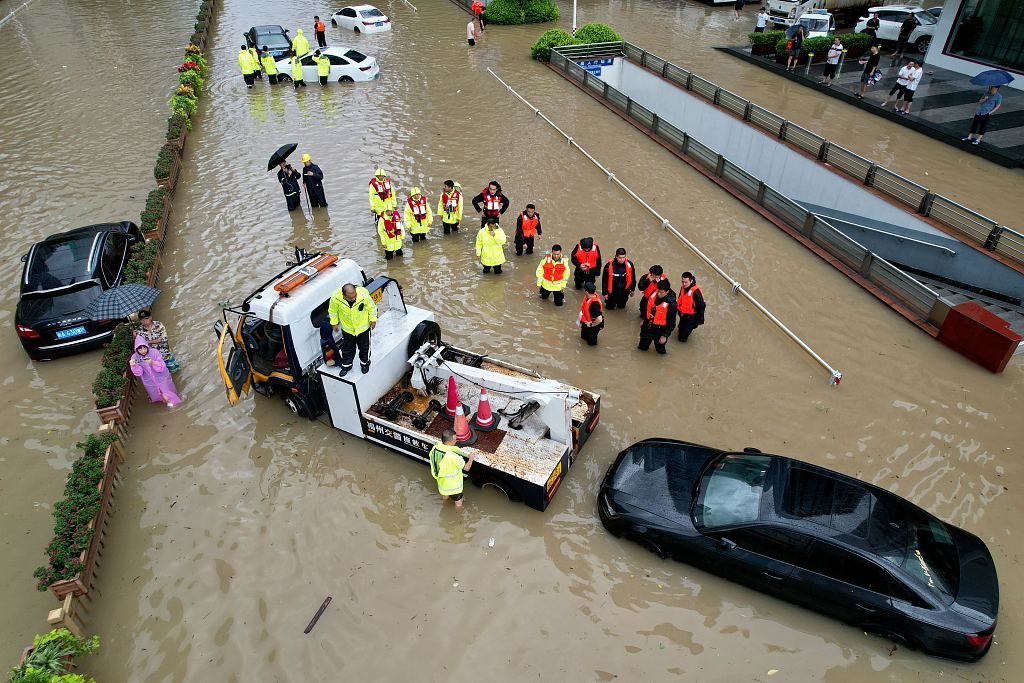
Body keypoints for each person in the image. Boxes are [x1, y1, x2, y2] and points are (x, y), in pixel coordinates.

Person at [329, 283, 378, 376]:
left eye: (354, 297)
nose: (353, 299)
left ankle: (365, 363)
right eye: (350, 298)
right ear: (343, 295)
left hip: (363, 328)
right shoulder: (336, 298)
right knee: (347, 348)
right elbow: (332, 311)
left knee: (364, 347)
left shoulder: (363, 294)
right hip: (348, 329)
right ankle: (346, 365)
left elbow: (372, 307)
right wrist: (334, 323)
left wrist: (373, 320)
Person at [429, 429, 475, 509]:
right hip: (454, 488)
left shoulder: (434, 449)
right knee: (459, 505)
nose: (456, 441)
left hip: (442, 484)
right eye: (455, 439)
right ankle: (456, 518)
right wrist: (471, 458)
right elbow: (467, 468)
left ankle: (444, 507)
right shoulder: (453, 457)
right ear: (449, 442)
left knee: (445, 497)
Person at [129, 336, 180, 407]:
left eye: (144, 348)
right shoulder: (135, 357)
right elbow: (139, 373)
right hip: (149, 381)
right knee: (156, 395)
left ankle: (172, 404)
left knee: (167, 393)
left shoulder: (154, 352)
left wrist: (152, 362)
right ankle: (165, 402)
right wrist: (134, 366)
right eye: (140, 349)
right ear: (137, 350)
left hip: (162, 377)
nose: (143, 351)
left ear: (147, 346)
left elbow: (161, 367)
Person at [638, 280, 677, 355]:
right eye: (658, 291)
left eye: (661, 292)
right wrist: (644, 320)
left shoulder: (672, 305)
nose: (658, 294)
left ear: (667, 292)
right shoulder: (654, 293)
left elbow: (672, 322)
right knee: (642, 347)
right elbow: (648, 309)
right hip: (648, 326)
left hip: (660, 330)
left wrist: (665, 335)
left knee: (660, 351)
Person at [676, 272, 706, 343]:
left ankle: (682, 341)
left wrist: (700, 319)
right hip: (683, 314)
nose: (684, 284)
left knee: (682, 337)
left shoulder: (696, 292)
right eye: (682, 281)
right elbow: (681, 297)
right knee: (680, 327)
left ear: (691, 280)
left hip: (691, 317)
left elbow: (702, 305)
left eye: (686, 282)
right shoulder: (683, 287)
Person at [579, 282, 605, 346]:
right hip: (586, 322)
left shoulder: (594, 304)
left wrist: (591, 325)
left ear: (586, 292)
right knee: (583, 337)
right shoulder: (589, 296)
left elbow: (599, 319)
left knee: (591, 343)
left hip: (593, 325)